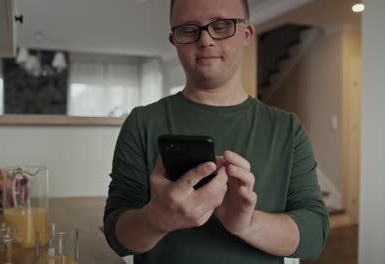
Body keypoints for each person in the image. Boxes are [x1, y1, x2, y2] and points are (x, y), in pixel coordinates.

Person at [104, 0, 329, 263]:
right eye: (189, 30)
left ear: (246, 34)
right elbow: (116, 235)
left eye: (221, 26)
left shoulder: (287, 129)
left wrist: (247, 223)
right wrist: (158, 219)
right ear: (174, 40)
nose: (205, 39)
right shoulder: (142, 122)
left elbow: (315, 235)